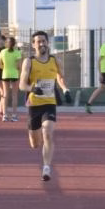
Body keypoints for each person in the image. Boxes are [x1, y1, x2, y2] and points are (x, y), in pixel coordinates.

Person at [18, 31, 68, 181]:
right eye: (38, 41)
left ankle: (46, 167)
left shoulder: (55, 61)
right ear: (33, 45)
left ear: (48, 42)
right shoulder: (29, 62)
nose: (41, 44)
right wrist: (32, 88)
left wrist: (65, 89)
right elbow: (21, 85)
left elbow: (60, 77)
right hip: (34, 104)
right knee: (35, 144)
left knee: (48, 132)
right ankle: (36, 137)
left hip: (49, 102)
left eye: (43, 41)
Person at [0, 34, 23, 121]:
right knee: (14, 95)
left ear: (6, 43)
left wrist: (5, 68)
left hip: (5, 74)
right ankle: (14, 115)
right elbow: (19, 66)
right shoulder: (17, 52)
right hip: (15, 74)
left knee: (5, 94)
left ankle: (5, 115)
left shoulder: (2, 52)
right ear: (14, 44)